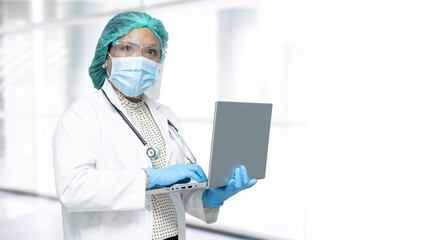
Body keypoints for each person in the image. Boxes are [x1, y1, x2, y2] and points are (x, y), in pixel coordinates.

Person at [52, 11, 257, 240]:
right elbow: (73, 189)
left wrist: (209, 198)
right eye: (127, 48)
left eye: (151, 52)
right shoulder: (82, 115)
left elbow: (176, 191)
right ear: (106, 57)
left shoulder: (164, 115)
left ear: (159, 61)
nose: (140, 59)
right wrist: (150, 178)